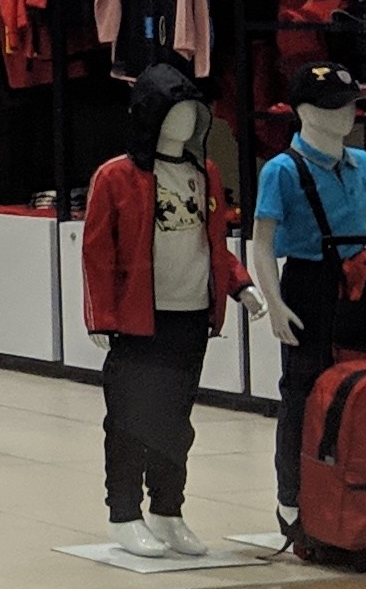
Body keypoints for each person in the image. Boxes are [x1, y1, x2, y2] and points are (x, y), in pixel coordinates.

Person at [79, 60, 244, 560]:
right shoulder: (115, 176)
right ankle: (124, 514)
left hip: (191, 315)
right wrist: (101, 317)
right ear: (150, 115)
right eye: (174, 111)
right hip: (138, 320)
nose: (186, 121)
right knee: (129, 419)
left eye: (193, 111)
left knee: (177, 421)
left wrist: (240, 286)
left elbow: (214, 244)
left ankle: (168, 510)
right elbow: (96, 252)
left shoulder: (204, 173)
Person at [251, 62, 366, 540]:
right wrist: (274, 302)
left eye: (352, 105)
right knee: (302, 393)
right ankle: (291, 500)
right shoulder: (281, 170)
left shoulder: (364, 164)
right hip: (308, 286)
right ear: (305, 111)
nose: (347, 115)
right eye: (335, 106)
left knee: (364, 386)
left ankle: (360, 493)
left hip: (364, 283)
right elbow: (262, 243)